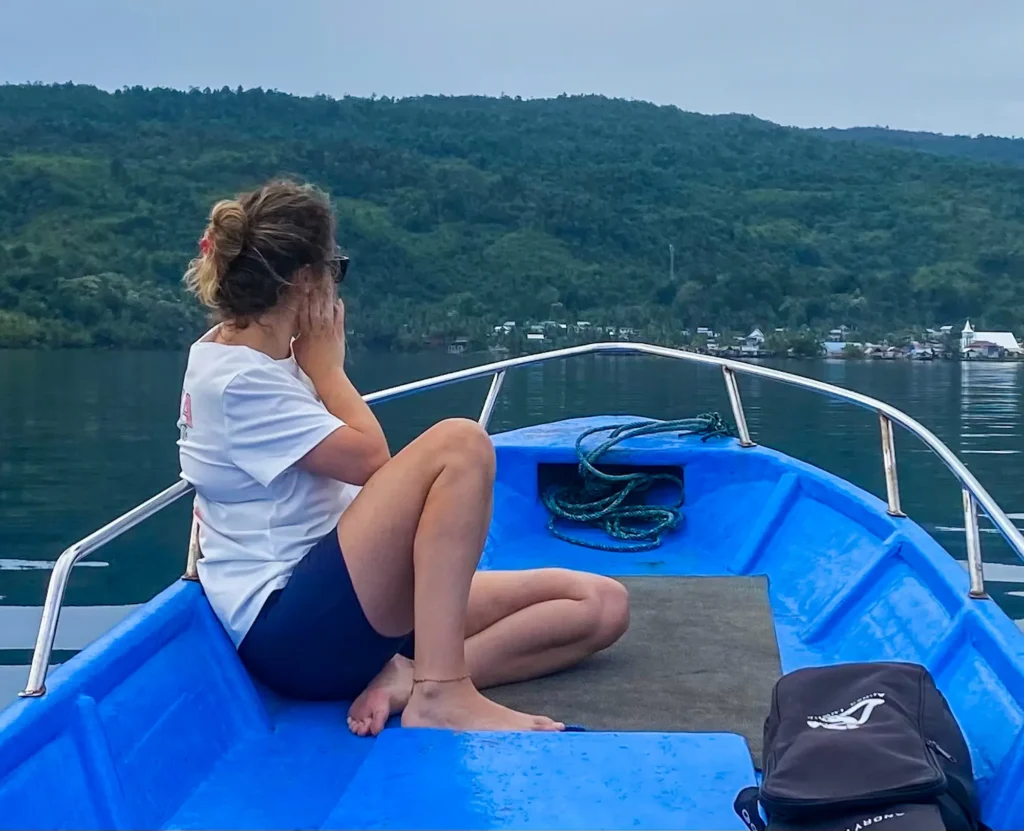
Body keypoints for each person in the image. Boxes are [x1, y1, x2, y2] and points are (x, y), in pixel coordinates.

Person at [176, 178, 629, 736]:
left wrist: (314, 367)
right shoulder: (240, 379)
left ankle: (413, 677)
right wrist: (330, 370)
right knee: (459, 444)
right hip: (296, 626)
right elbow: (372, 460)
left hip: (350, 604)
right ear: (305, 281)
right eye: (332, 270)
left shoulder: (257, 357)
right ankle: (442, 695)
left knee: (599, 603)